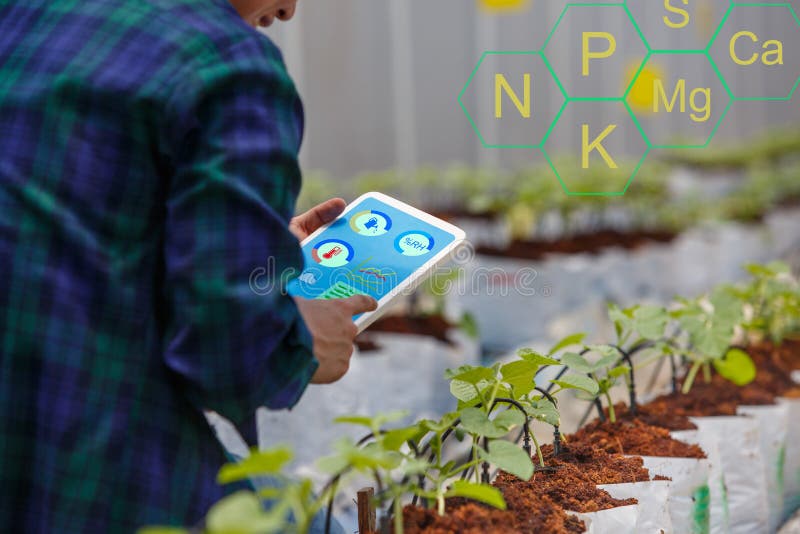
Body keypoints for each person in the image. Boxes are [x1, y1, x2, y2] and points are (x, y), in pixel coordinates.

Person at [0, 0, 376, 531]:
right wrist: (302, 337)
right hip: (78, 473)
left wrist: (255, 256)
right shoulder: (226, 63)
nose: (289, 10)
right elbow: (224, 353)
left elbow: (74, 245)